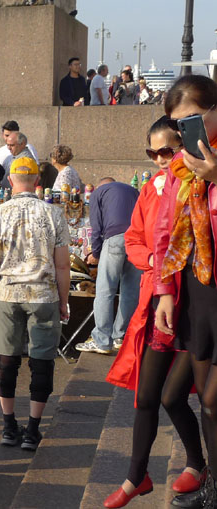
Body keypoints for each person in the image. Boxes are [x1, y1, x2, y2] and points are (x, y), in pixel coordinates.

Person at [102, 118, 204, 508]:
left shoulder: (195, 183)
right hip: (157, 305)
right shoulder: (150, 188)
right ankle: (136, 477)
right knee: (147, 397)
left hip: (191, 306)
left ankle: (196, 465)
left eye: (167, 150)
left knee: (176, 397)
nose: (161, 159)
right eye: (153, 152)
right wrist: (155, 264)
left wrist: (165, 266)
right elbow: (133, 238)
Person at [154, 74, 217, 505]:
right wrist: (165, 291)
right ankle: (209, 478)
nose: (187, 130)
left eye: (195, 118)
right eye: (180, 125)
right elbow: (164, 232)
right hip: (197, 290)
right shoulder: (180, 168)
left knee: (212, 400)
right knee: (197, 399)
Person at [0, 157, 71, 452]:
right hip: (43, 294)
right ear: (37, 181)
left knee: (6, 359)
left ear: (9, 181)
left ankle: (8, 426)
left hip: (8, 292)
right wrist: (64, 301)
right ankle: (32, 429)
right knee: (42, 362)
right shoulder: (53, 214)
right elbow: (63, 266)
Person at [76, 178, 141, 355]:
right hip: (139, 240)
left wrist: (95, 253)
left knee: (105, 290)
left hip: (115, 239)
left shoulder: (98, 193)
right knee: (130, 292)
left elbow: (96, 227)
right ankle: (121, 337)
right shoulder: (133, 191)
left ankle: (102, 340)